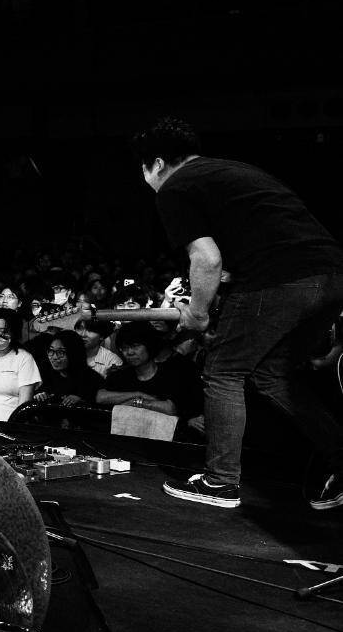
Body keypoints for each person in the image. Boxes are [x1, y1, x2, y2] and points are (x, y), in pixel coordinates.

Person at [135, 116, 343, 510]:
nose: (146, 179)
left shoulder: (175, 186)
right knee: (271, 374)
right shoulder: (232, 171)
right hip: (332, 276)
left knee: (223, 371)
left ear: (157, 164)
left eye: (144, 171)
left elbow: (207, 259)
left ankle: (220, 482)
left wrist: (197, 314)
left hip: (280, 279)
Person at [97, 320, 201, 423]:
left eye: (135, 346)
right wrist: (138, 394)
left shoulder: (171, 375)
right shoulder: (119, 376)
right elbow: (100, 397)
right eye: (124, 348)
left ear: (149, 346)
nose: (129, 352)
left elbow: (170, 408)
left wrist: (137, 403)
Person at [31, 330, 103, 408]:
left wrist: (81, 401)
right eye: (51, 351)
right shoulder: (48, 374)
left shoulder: (92, 379)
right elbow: (41, 392)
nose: (54, 357)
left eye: (61, 352)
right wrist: (40, 395)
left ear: (74, 354)